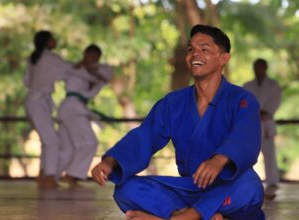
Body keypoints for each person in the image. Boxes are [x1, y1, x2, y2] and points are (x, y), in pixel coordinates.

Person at [92, 24, 265, 220]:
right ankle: (192, 215)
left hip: (226, 186)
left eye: (204, 49)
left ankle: (182, 217)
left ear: (223, 58)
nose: (195, 54)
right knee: (126, 189)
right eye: (191, 49)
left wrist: (219, 160)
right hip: (188, 189)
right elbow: (145, 137)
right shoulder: (172, 103)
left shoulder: (242, 99)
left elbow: (245, 139)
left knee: (249, 184)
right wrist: (111, 161)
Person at [56, 44, 113, 187]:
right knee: (89, 142)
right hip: (72, 108)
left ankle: (54, 176)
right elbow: (68, 72)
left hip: (73, 108)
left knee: (68, 148)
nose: (93, 60)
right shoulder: (73, 68)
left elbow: (106, 77)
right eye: (91, 56)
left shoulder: (98, 71)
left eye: (96, 58)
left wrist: (93, 72)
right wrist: (88, 71)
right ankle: (70, 175)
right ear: (85, 54)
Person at [24, 30, 72, 188]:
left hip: (34, 101)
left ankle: (42, 174)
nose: (55, 41)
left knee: (47, 140)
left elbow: (26, 81)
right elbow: (69, 70)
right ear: (46, 42)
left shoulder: (33, 58)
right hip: (38, 102)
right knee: (51, 140)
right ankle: (50, 177)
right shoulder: (50, 58)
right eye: (52, 39)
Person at [243, 58, 282, 200]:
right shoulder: (247, 86)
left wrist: (266, 112)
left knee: (269, 154)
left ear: (265, 68)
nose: (258, 70)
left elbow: (276, 101)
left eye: (261, 67)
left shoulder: (273, 85)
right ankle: (245, 181)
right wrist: (254, 112)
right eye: (256, 67)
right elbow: (243, 103)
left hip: (266, 123)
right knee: (248, 154)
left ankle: (272, 182)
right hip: (252, 124)